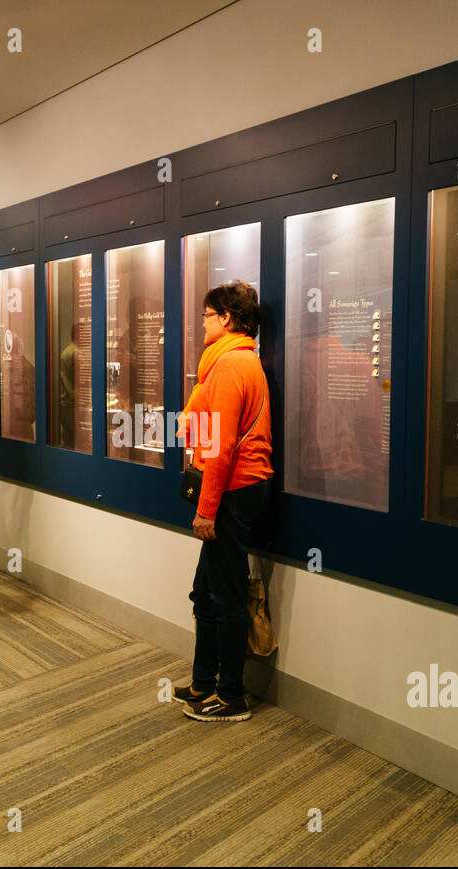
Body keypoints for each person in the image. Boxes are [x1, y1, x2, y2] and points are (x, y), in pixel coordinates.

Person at [171, 281, 273, 722]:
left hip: (233, 489)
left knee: (226, 596)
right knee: (204, 592)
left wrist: (206, 510)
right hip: (232, 486)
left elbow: (222, 445)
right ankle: (203, 683)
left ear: (227, 319)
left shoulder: (232, 366)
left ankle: (231, 696)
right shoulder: (229, 361)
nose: (203, 323)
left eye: (208, 315)